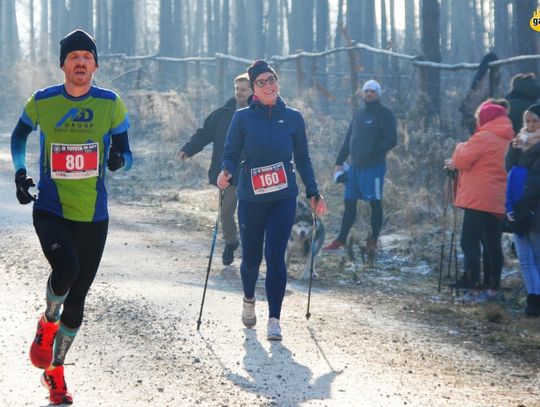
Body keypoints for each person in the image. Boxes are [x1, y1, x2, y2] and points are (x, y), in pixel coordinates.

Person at [10, 29, 132, 405]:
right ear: (62, 64)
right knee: (66, 269)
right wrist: (19, 172)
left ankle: (55, 372)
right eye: (73, 56)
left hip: (94, 216)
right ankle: (47, 321)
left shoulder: (111, 103)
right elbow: (18, 137)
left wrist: (118, 160)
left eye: (87, 56)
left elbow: (128, 155)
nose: (80, 62)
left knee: (77, 301)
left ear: (95, 65)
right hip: (51, 209)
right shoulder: (43, 101)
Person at [217, 60, 327, 341]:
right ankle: (249, 299)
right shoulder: (242, 118)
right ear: (253, 89)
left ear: (278, 82)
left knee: (275, 256)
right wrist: (226, 171)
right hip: (251, 197)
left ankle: (275, 320)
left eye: (272, 80)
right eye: (261, 82)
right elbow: (230, 152)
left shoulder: (293, 118)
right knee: (252, 258)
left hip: (283, 197)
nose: (268, 86)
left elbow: (302, 159)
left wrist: (313, 193)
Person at [178, 74, 251, 265]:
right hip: (227, 173)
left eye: (243, 89)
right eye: (237, 89)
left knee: (250, 216)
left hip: (252, 174)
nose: (239, 93)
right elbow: (205, 133)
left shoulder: (259, 114)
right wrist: (189, 149)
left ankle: (252, 254)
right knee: (226, 213)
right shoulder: (223, 113)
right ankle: (231, 242)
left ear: (252, 90)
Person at [445, 100, 513, 302]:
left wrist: (459, 146)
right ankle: (493, 287)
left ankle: (473, 287)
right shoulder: (509, 139)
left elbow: (461, 161)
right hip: (498, 198)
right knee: (492, 244)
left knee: (469, 242)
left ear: (485, 118)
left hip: (477, 199)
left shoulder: (483, 136)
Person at [324, 79, 397, 260]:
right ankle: (340, 239)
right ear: (363, 94)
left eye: (372, 91)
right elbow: (349, 140)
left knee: (375, 204)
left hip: (374, 168)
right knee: (349, 203)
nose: (369, 94)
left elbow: (391, 140)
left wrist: (372, 152)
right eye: (366, 91)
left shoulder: (386, 115)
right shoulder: (359, 114)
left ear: (378, 94)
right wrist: (339, 161)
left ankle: (373, 240)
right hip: (354, 168)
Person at [505, 103, 540, 316]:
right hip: (516, 204)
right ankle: (532, 299)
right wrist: (513, 148)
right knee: (524, 256)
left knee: (536, 255)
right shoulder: (520, 141)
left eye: (535, 121)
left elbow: (535, 176)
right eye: (528, 121)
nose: (531, 125)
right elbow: (508, 167)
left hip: (533, 206)